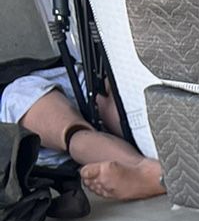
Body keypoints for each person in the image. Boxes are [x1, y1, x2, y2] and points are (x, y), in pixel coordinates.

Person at [0, 63, 163, 201]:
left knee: (75, 135)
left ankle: (148, 172)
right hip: (48, 145)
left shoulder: (15, 98)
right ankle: (151, 172)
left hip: (87, 93)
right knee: (78, 135)